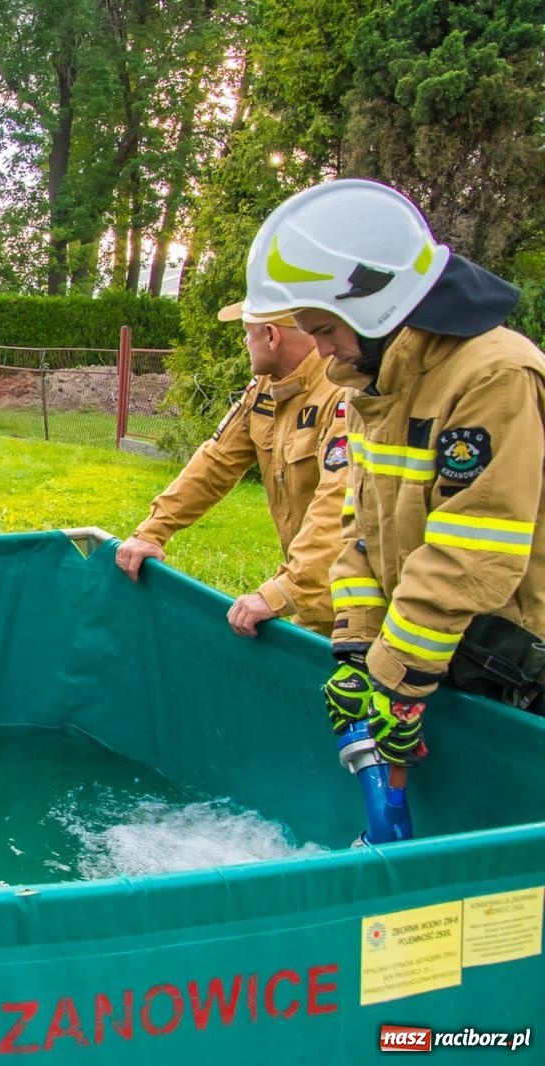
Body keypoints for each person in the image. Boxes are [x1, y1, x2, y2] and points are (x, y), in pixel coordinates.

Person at [241, 179, 545, 777]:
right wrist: (358, 651)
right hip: (439, 659)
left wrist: (393, 679)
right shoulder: (374, 386)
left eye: (325, 330)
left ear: (374, 306)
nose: (322, 352)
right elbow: (361, 532)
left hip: (515, 672)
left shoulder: (495, 376)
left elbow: (470, 553)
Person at [115, 301, 352, 636]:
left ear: (271, 336)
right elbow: (216, 461)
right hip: (317, 598)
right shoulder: (266, 389)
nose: (244, 342)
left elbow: (339, 501)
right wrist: (153, 531)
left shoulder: (345, 393)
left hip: (365, 599)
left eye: (246, 332)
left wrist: (284, 590)